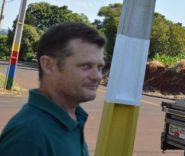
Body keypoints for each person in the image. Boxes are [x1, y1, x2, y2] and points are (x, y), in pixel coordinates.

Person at [0, 22, 106, 156]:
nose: (97, 76)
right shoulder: (29, 135)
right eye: (85, 66)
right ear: (49, 65)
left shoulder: (73, 119)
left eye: (99, 67)